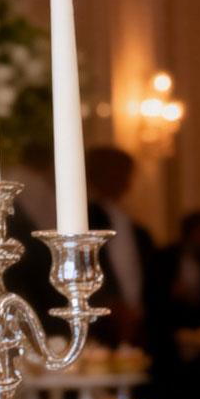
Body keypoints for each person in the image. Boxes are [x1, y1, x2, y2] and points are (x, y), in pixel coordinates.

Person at [85, 145, 156, 349]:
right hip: (102, 323)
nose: (125, 181)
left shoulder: (135, 229)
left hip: (138, 324)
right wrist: (112, 304)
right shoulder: (88, 220)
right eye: (117, 173)